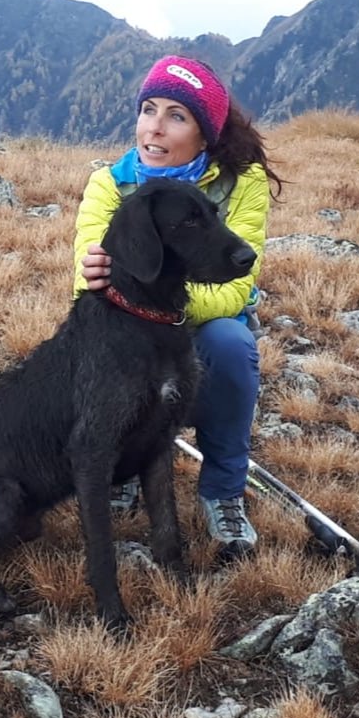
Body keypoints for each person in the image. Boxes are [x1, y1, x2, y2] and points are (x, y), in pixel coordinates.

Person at [73, 55, 284, 558]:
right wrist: (103, 285)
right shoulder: (111, 183)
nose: (155, 128)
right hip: (131, 324)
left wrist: (162, 309)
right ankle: (121, 468)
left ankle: (223, 491)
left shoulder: (240, 182)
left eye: (177, 115)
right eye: (149, 109)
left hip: (202, 320)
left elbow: (237, 290)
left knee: (231, 345)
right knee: (109, 348)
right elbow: (88, 281)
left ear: (205, 133)